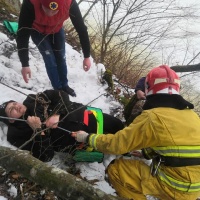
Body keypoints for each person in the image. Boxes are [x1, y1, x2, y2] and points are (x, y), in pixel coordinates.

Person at [72, 65, 200, 200]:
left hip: (175, 186)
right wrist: (145, 153)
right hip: (195, 187)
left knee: (116, 170)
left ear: (149, 88)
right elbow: (175, 145)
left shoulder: (152, 117)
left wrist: (87, 137)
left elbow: (116, 145)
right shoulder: (192, 115)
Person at [0, 90, 124, 162]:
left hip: (94, 118)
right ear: (10, 120)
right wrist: (38, 130)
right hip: (83, 142)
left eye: (14, 103)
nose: (16, 106)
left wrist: (57, 114)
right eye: (11, 110)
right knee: (115, 147)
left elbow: (60, 94)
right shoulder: (18, 134)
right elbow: (46, 156)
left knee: (121, 129)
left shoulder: (34, 99)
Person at [16, 0, 91, 97]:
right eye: (47, 10)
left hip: (56, 29)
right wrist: (25, 64)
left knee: (61, 57)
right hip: (37, 31)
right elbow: (22, 34)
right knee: (50, 60)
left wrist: (86, 56)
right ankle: (58, 89)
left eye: (55, 11)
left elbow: (82, 30)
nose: (50, 14)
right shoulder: (31, 3)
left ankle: (64, 85)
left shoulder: (69, 3)